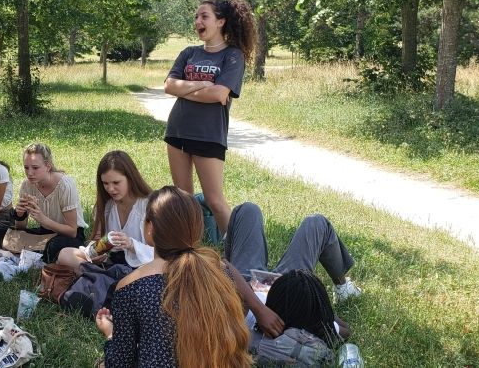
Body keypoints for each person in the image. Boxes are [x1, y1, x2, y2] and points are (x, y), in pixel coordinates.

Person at [95, 186, 251, 367]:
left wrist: (111, 334)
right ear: (197, 228)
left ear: (149, 228)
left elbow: (120, 363)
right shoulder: (220, 271)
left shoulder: (131, 287)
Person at [164, 0, 255, 235]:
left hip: (209, 135)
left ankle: (235, 253)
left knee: (215, 201)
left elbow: (219, 94)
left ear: (221, 22)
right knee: (183, 199)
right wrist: (202, 84)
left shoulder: (233, 56)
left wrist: (188, 89)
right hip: (177, 131)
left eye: (204, 16)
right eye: (196, 17)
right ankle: (190, 251)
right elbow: (169, 86)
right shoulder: (189, 53)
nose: (198, 21)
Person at [222, 202, 363, 304]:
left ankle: (343, 287)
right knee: (318, 224)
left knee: (248, 210)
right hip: (281, 296)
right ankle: (343, 288)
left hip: (243, 281)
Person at [0, 143, 87, 263]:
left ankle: (22, 253)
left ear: (48, 166)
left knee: (54, 246)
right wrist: (20, 214)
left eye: (35, 168)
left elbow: (72, 231)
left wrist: (43, 219)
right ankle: (33, 253)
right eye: (26, 168)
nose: (29, 173)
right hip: (44, 234)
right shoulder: (27, 185)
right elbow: (21, 228)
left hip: (68, 236)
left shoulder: (65, 185)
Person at [57, 151, 153, 274]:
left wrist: (131, 244)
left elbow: (161, 254)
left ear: (130, 178)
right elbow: (97, 239)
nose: (110, 189)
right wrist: (97, 252)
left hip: (142, 267)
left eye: (116, 183)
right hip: (112, 263)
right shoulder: (106, 206)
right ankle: (106, 279)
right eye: (105, 183)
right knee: (65, 254)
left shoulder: (148, 206)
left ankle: (101, 280)